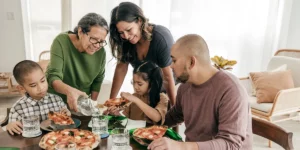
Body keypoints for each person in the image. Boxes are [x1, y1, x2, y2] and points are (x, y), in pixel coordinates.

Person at [148, 34, 252, 150]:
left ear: (191, 62)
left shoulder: (231, 90)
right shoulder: (185, 86)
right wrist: (148, 125)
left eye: (174, 60)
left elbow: (231, 144)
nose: (171, 66)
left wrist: (181, 146)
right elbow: (175, 115)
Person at [109, 2, 176, 106]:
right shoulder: (125, 41)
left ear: (139, 21)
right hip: (146, 91)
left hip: (170, 90)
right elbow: (121, 68)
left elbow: (168, 77)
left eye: (129, 30)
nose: (126, 36)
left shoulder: (161, 38)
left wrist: (174, 109)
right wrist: (112, 101)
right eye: (121, 32)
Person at [46, 13, 108, 112]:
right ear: (80, 31)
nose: (97, 45)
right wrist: (70, 92)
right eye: (94, 39)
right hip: (56, 104)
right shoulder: (61, 41)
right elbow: (53, 77)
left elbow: (98, 80)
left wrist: (91, 105)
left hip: (81, 106)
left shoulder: (101, 52)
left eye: (101, 41)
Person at [7, 60, 70, 135]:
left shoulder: (57, 100)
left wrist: (67, 114)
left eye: (43, 81)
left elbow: (66, 118)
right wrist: (10, 126)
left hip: (57, 139)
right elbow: (11, 130)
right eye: (33, 85)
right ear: (22, 88)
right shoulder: (17, 108)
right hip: (31, 143)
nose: (41, 88)